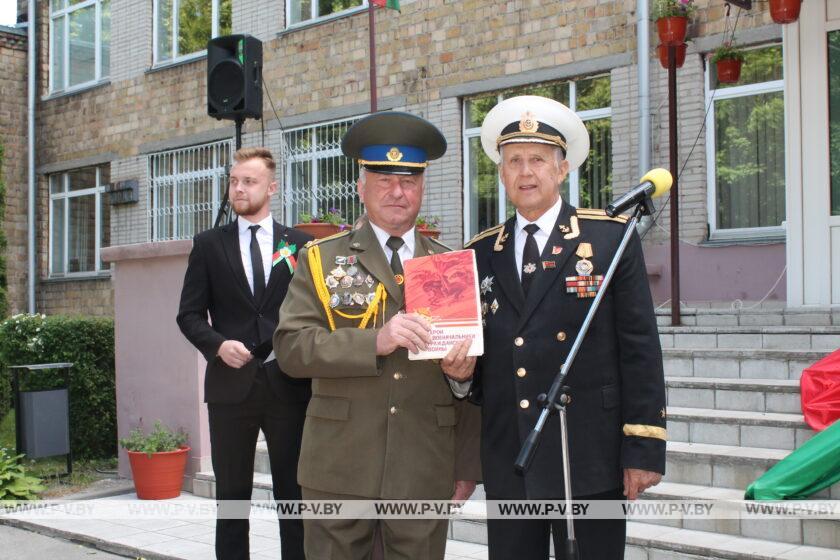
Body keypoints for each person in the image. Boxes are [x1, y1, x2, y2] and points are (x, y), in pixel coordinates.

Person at [463, 96, 667, 559]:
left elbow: (639, 346)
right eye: (514, 160)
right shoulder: (477, 254)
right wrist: (459, 377)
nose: (526, 172)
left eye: (538, 159)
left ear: (563, 168)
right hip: (511, 455)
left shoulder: (608, 237)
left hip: (588, 453)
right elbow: (479, 363)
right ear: (501, 172)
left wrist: (642, 448)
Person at [273, 111, 480, 560]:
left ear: (422, 187)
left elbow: (473, 383)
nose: (397, 191)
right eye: (383, 179)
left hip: (423, 466)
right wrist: (376, 342)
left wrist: (462, 377)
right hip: (340, 465)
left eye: (409, 180)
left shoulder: (452, 265)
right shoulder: (321, 259)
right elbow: (291, 348)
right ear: (361, 186)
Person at [177, 147, 312, 560]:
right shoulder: (208, 245)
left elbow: (314, 312)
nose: (238, 188)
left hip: (289, 386)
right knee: (232, 500)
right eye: (234, 181)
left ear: (271, 188)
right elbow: (189, 315)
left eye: (248, 181)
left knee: (295, 497)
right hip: (229, 391)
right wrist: (217, 345)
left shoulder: (301, 245)